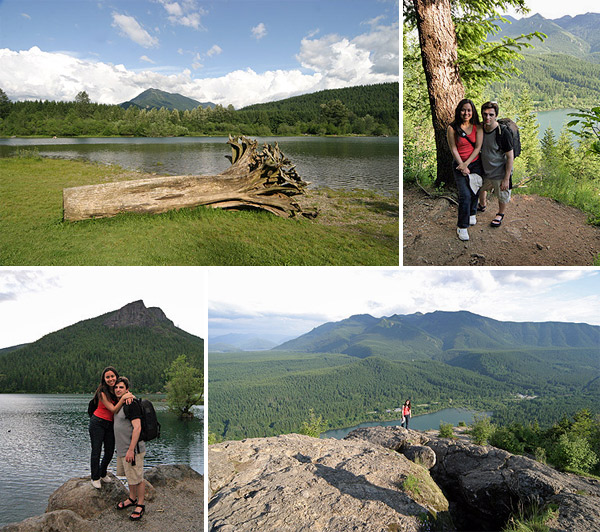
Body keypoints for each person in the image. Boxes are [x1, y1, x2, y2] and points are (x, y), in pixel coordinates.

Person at [88, 367, 133, 489]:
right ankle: (95, 477)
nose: (110, 379)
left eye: (112, 376)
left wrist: (128, 396)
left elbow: (125, 394)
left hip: (110, 425)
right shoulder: (102, 392)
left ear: (116, 376)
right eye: (107, 377)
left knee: (109, 451)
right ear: (104, 379)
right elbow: (113, 409)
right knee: (96, 451)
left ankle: (102, 473)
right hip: (97, 423)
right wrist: (124, 398)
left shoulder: (116, 389)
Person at [446, 99, 484, 241]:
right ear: (459, 111)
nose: (466, 113)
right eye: (463, 110)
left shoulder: (477, 127)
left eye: (469, 110)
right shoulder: (452, 128)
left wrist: (467, 164)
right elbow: (453, 148)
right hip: (458, 165)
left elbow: (478, 147)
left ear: (473, 111)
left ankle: (472, 212)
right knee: (465, 195)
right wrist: (461, 165)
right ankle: (462, 227)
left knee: (475, 190)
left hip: (474, 164)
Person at [114, 377, 147, 521]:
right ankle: (132, 498)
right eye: (116, 387)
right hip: (122, 449)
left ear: (127, 389)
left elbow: (137, 427)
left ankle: (140, 504)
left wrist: (131, 449)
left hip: (133, 449)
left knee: (138, 477)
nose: (118, 390)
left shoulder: (131, 404)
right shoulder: (121, 403)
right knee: (130, 476)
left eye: (121, 387)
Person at [478, 101, 514, 227]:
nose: (487, 117)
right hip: (485, 169)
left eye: (491, 115)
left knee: (502, 194)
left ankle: (500, 213)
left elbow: (510, 156)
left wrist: (506, 178)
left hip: (500, 171)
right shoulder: (481, 128)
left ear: (496, 116)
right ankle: (482, 205)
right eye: (485, 114)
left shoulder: (503, 132)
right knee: (480, 188)